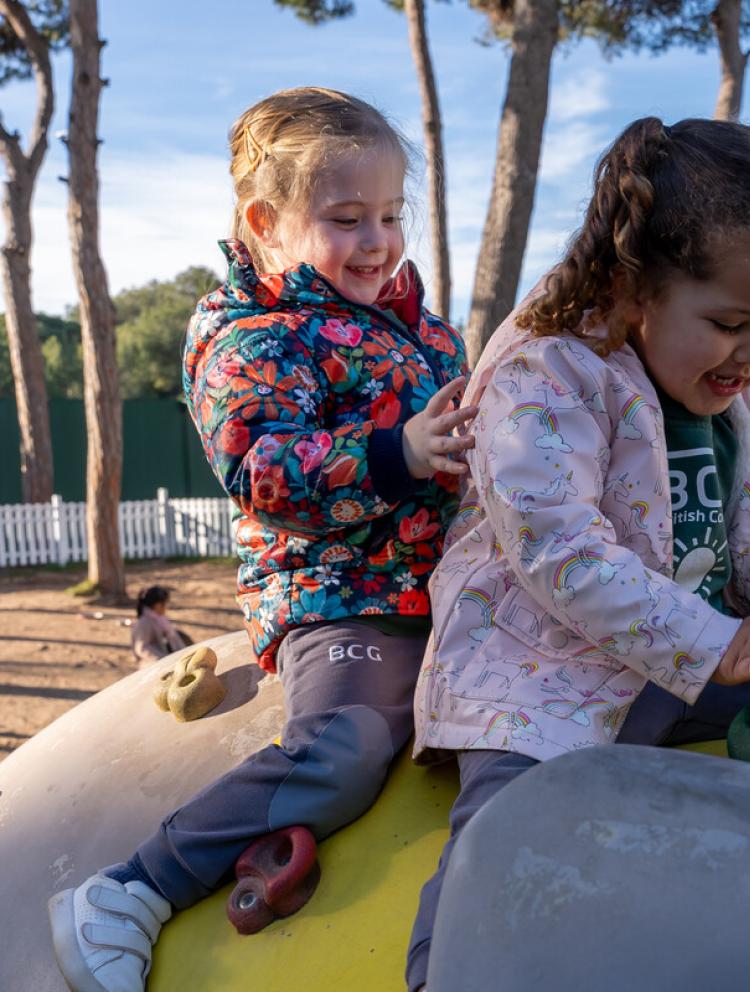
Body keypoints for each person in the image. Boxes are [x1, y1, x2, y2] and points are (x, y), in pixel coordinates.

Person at [47, 87, 471, 992]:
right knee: (350, 747)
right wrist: (399, 452)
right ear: (266, 220)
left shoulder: (429, 332)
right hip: (341, 593)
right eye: (347, 217)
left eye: (393, 215)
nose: (379, 240)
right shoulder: (249, 336)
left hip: (451, 587)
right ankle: (132, 890)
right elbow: (265, 472)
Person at [406, 116, 750, 992]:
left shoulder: (723, 385)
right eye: (727, 321)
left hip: (671, 669)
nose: (746, 351)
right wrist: (717, 643)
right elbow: (556, 549)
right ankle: (441, 974)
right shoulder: (548, 367)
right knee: (507, 830)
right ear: (633, 286)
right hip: (540, 673)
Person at [130, 585, 188, 667]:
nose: (165, 607)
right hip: (153, 667)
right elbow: (142, 648)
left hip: (170, 662)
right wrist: (164, 660)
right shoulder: (144, 623)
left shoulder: (161, 620)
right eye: (164, 603)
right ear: (156, 605)